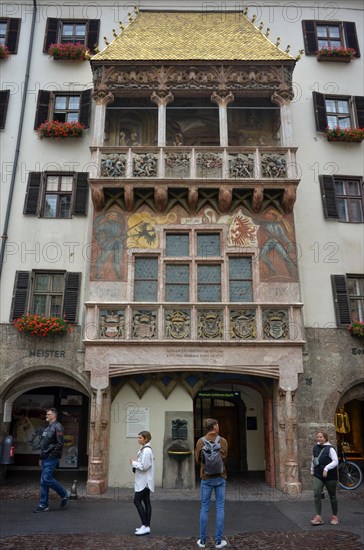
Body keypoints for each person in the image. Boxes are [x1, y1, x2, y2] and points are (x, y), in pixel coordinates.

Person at [195, 418, 228, 549]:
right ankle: (219, 541)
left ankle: (202, 541)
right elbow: (225, 458)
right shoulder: (223, 441)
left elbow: (197, 460)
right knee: (220, 508)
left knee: (204, 508)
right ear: (214, 426)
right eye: (217, 424)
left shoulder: (200, 441)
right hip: (220, 477)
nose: (218, 426)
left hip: (206, 478)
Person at [33, 408, 70, 513]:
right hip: (45, 457)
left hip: (51, 457)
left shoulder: (58, 426)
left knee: (46, 479)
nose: (46, 416)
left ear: (54, 415)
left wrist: (52, 455)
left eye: (48, 414)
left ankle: (64, 493)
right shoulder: (48, 427)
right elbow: (44, 444)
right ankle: (43, 504)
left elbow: (60, 443)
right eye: (46, 414)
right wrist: (41, 457)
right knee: (43, 481)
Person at [310, 431, 339, 526]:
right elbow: (313, 459)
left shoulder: (330, 449)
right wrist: (312, 470)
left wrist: (326, 468)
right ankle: (318, 517)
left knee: (332, 496)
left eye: (321, 437)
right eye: (318, 437)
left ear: (325, 438)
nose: (319, 438)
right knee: (316, 493)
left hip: (330, 476)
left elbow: (335, 461)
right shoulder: (315, 448)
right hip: (318, 474)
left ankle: (334, 516)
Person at [130, 431, 155, 536]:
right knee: (146, 502)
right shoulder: (145, 449)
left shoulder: (146, 451)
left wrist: (133, 463)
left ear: (145, 439)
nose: (138, 439)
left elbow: (144, 466)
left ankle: (145, 525)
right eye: (138, 437)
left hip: (144, 481)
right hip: (145, 480)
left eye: (140, 438)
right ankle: (146, 526)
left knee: (137, 501)